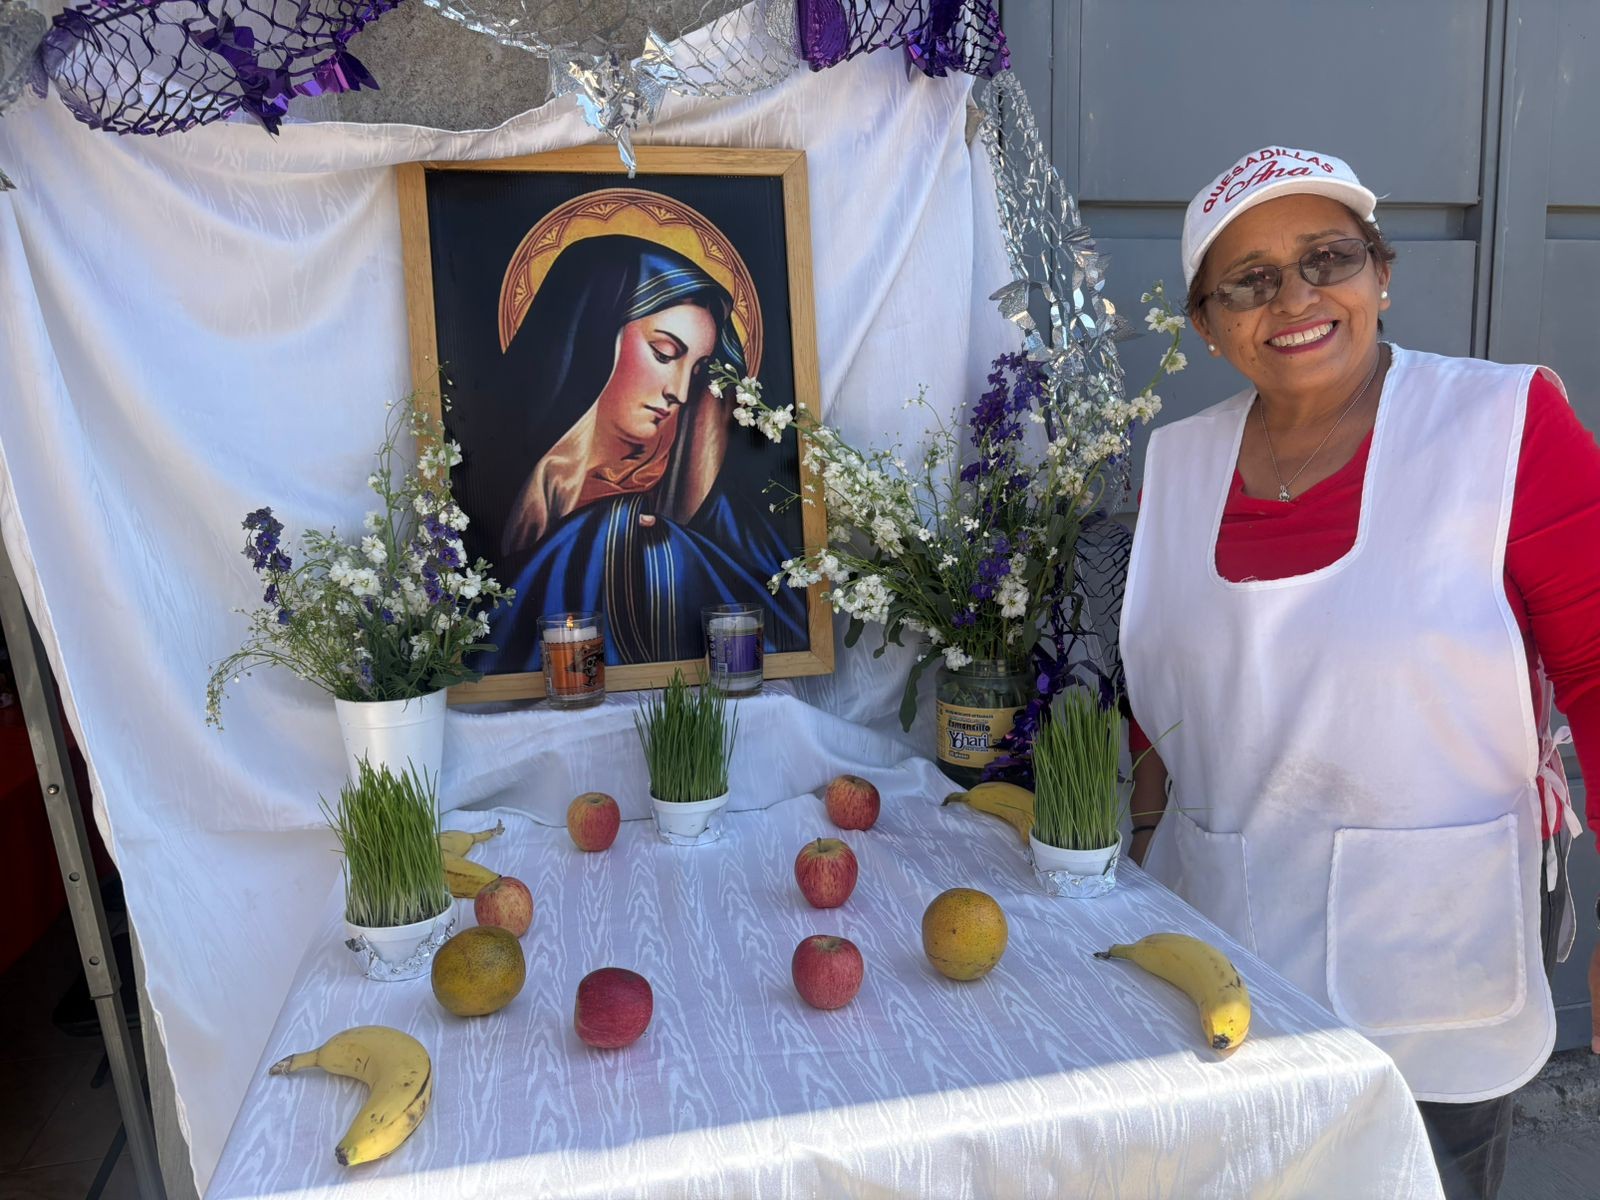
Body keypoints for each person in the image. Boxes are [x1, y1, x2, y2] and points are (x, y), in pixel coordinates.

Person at [1120, 147, 1600, 1200]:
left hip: (1431, 968)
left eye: (1326, 258)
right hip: (1221, 951)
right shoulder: (1179, 462)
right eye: (1245, 281)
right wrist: (1137, 843)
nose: (1292, 298)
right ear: (1206, 324)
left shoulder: (1504, 427)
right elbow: (1166, 689)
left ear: (1381, 273)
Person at [466, 234, 808, 673]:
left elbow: (782, 619)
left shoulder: (709, 499)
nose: (681, 392)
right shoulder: (488, 480)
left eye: (699, 370)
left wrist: (643, 539)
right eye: (665, 354)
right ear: (594, 335)